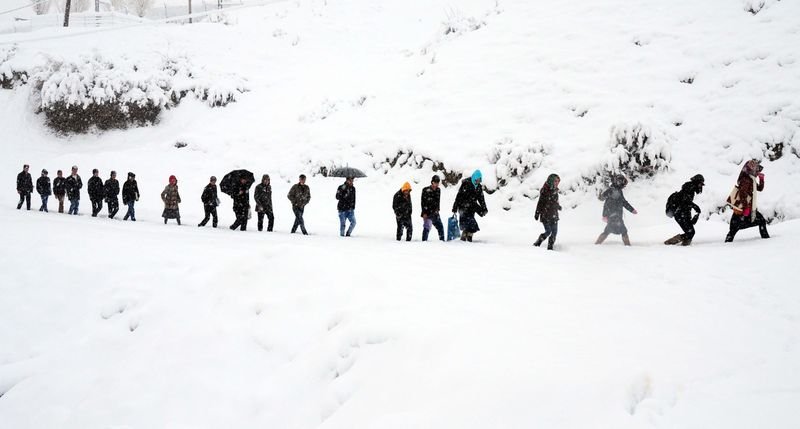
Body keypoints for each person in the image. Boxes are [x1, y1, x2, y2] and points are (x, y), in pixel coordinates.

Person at [725, 159, 769, 242]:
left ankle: (727, 243)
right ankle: (766, 240)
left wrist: (761, 179)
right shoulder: (746, 180)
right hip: (744, 208)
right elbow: (742, 194)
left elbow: (759, 188)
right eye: (756, 169)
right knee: (734, 229)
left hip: (745, 207)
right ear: (751, 169)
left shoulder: (750, 179)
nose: (756, 171)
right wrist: (746, 207)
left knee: (734, 229)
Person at [595, 174, 637, 246]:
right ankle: (628, 246)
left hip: (615, 214)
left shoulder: (617, 190)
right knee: (622, 230)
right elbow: (604, 201)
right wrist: (605, 215)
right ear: (617, 181)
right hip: (613, 215)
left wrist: (632, 210)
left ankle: (597, 244)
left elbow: (623, 202)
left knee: (608, 230)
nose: (623, 184)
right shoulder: (613, 190)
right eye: (621, 181)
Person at [665, 174, 704, 246]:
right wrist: (695, 207)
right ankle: (670, 243)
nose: (701, 186)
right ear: (696, 182)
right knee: (690, 232)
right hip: (680, 214)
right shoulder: (689, 188)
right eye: (700, 184)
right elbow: (685, 202)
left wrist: (690, 216)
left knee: (690, 232)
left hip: (682, 214)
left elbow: (686, 204)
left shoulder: (690, 188)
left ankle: (683, 246)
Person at [452, 170, 487, 242]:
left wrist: (484, 208)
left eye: (479, 180)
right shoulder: (466, 183)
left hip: (472, 207)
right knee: (469, 222)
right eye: (477, 180)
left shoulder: (479, 187)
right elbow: (459, 196)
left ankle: (469, 235)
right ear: (474, 178)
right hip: (463, 206)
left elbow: (481, 199)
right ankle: (464, 236)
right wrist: (455, 207)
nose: (478, 182)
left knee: (470, 223)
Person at [533, 174, 561, 250]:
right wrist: (537, 213)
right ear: (551, 181)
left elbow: (554, 202)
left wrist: (558, 206)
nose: (557, 183)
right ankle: (538, 242)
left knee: (554, 232)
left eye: (558, 181)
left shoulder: (555, 190)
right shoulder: (545, 191)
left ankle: (550, 247)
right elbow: (540, 202)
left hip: (554, 215)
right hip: (545, 215)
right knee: (548, 231)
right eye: (555, 181)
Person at [420, 175, 445, 241]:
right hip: (427, 212)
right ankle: (424, 242)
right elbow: (423, 202)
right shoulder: (425, 190)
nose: (436, 184)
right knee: (427, 228)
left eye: (437, 183)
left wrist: (438, 209)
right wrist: (424, 213)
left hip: (435, 212)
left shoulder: (438, 190)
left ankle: (442, 241)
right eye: (435, 183)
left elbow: (438, 200)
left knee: (440, 227)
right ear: (432, 182)